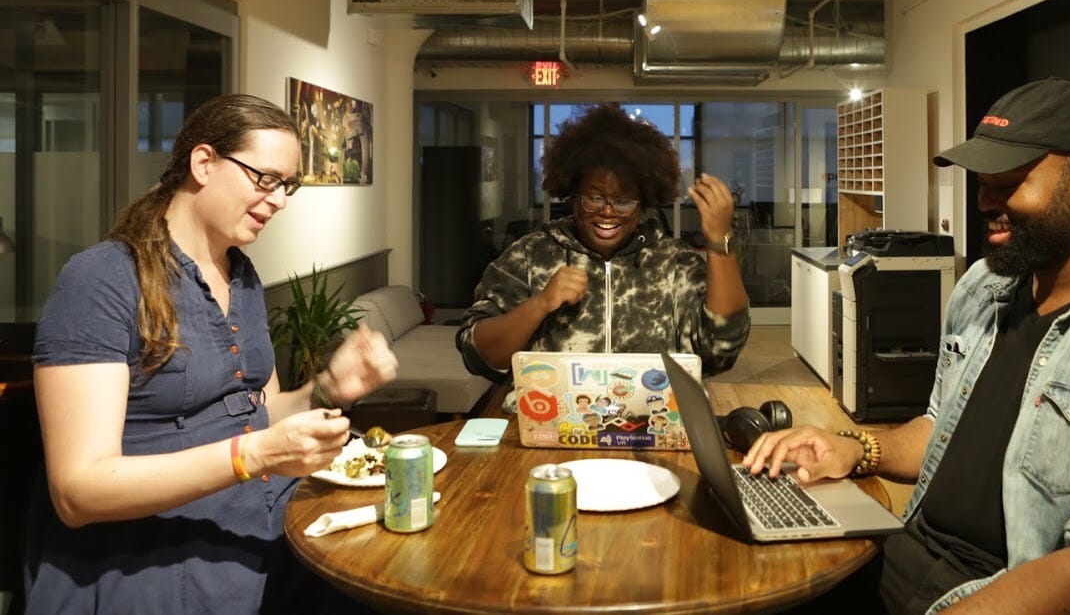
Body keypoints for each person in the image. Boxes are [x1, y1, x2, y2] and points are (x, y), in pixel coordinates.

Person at [743, 79, 1070, 614]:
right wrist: (857, 448)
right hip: (902, 553)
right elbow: (939, 425)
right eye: (983, 183)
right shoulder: (981, 288)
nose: (985, 202)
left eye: (1009, 182)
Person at [24, 94, 399, 613]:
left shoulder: (240, 275)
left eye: (286, 186)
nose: (279, 200)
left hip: (254, 525)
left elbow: (255, 412)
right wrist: (256, 455)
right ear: (204, 163)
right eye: (265, 178)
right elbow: (78, 490)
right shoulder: (102, 280)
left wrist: (328, 388)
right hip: (144, 560)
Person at [456, 103, 749, 381]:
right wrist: (540, 303)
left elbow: (722, 348)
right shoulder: (531, 255)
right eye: (594, 197)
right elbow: (476, 352)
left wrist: (720, 241)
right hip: (551, 427)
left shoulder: (674, 262)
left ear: (643, 203)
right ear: (573, 194)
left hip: (651, 427)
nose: (607, 212)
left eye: (622, 201)